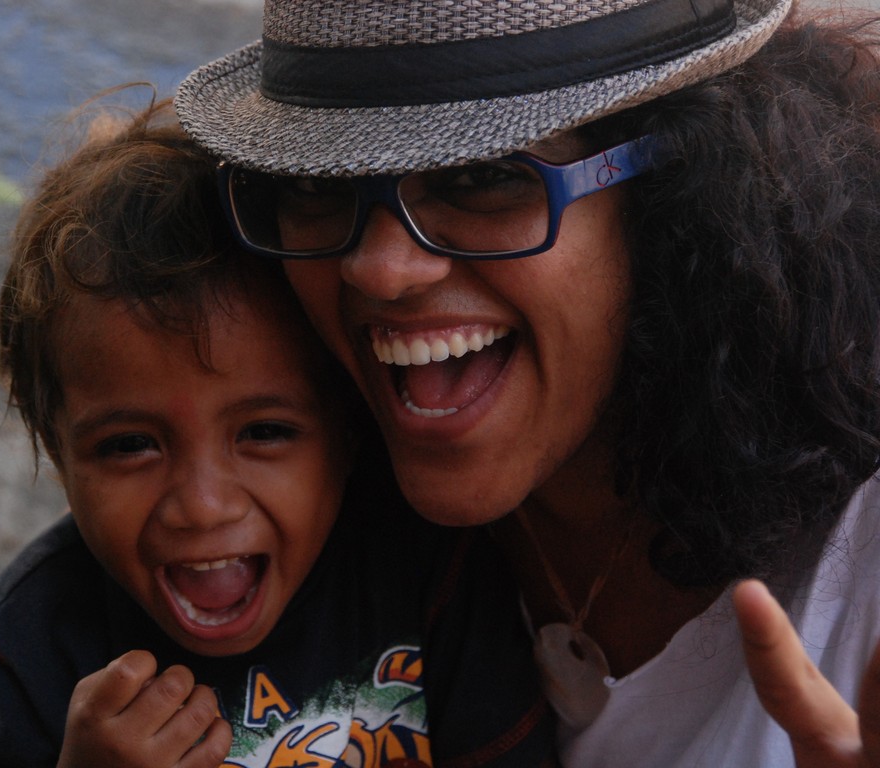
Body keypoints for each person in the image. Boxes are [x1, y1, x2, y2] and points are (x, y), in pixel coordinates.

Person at [174, 0, 880, 765]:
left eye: (481, 177)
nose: (379, 270)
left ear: (683, 191)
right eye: (317, 186)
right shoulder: (242, 522)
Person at [0, 97, 551, 768]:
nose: (203, 506)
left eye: (264, 432)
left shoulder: (426, 568)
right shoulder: (23, 659)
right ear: (55, 448)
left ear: (349, 428)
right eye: (130, 445)